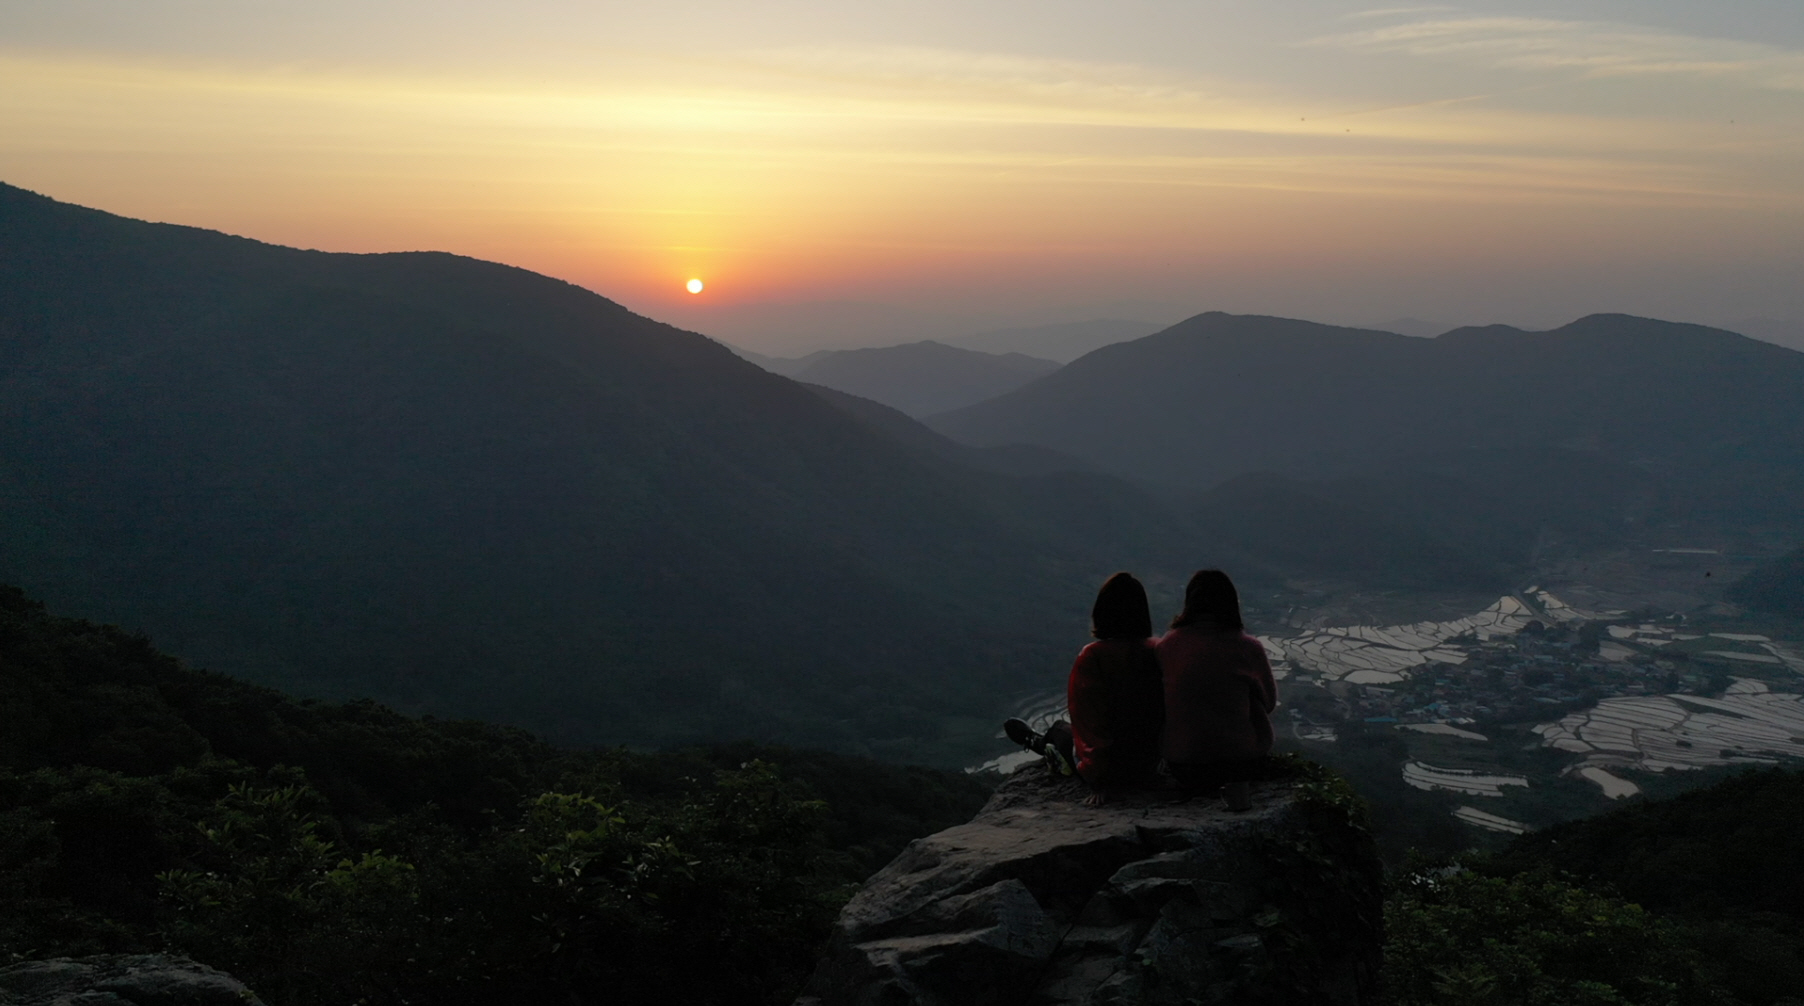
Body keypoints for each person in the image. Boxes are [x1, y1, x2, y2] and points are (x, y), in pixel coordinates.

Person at [1005, 572, 1164, 806]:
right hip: (1147, 765)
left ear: (1102, 612)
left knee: (1061, 730)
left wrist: (1098, 780)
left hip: (1111, 770)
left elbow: (1089, 722)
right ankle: (1040, 743)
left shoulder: (1094, 656)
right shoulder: (1158, 652)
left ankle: (1037, 742)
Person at [1157, 569, 1276, 809]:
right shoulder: (1247, 647)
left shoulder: (1167, 645)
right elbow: (1269, 703)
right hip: (1240, 765)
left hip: (1184, 765)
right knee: (1248, 695)